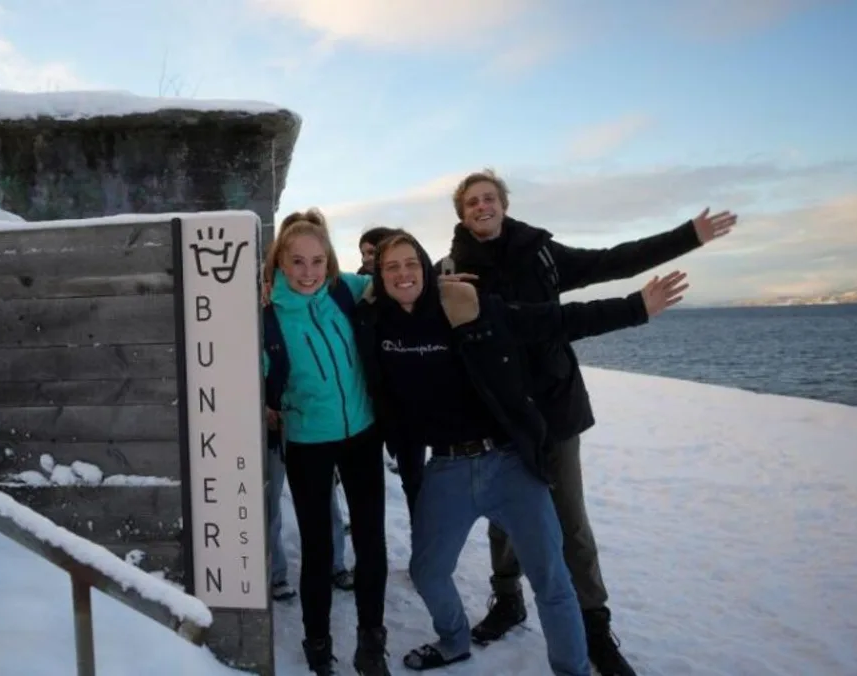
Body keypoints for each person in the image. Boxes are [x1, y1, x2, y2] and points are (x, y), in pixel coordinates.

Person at [434, 169, 738, 675]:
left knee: (571, 523)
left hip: (554, 407)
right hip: (498, 413)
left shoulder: (542, 253)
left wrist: (689, 236)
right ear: (462, 214)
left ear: (504, 204)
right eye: (472, 203)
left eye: (489, 199)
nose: (482, 207)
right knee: (502, 521)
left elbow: (613, 261)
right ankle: (507, 600)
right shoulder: (451, 269)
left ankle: (594, 624)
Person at [356, 230, 688, 674]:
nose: (402, 273)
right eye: (391, 266)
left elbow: (551, 319)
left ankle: (571, 667)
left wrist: (636, 308)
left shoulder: (468, 306)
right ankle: (454, 640)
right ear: (379, 275)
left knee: (551, 579)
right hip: (447, 467)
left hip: (508, 462)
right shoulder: (376, 323)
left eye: (410, 263)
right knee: (428, 571)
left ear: (425, 268)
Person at [262, 208, 389, 675]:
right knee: (317, 550)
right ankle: (318, 647)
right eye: (297, 262)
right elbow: (247, 375)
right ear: (280, 261)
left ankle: (372, 644)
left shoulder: (345, 290)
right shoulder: (267, 317)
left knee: (371, 542)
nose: (309, 272)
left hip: (363, 433)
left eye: (318, 261)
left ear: (330, 262)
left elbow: (401, 285)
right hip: (309, 442)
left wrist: (449, 283)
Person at [357, 225, 428, 519]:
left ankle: (424, 552)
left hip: (409, 406)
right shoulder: (360, 291)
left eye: (373, 252)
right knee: (370, 484)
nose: (367, 258)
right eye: (363, 253)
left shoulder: (418, 292)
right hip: (370, 403)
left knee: (416, 482)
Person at [266, 422, 356, 603]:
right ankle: (275, 573)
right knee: (270, 500)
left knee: (327, 496)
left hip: (309, 424)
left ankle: (335, 565)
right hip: (273, 428)